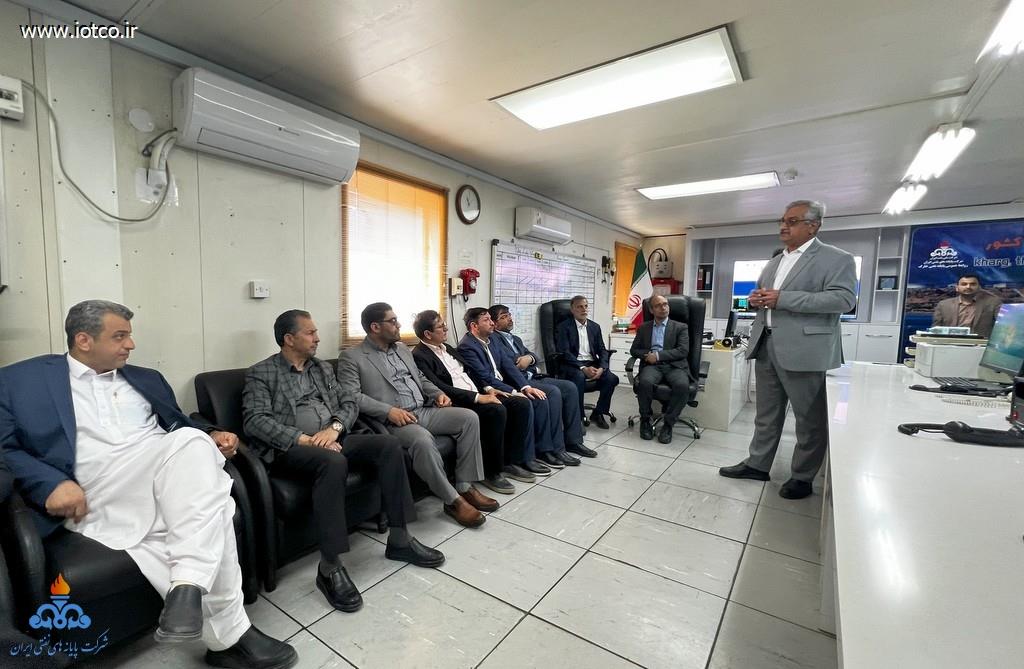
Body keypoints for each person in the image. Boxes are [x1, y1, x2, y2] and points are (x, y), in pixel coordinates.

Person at [0, 300, 296, 669]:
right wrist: (50, 483)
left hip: (161, 475)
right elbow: (4, 447)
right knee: (214, 498)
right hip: (97, 488)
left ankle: (206, 613)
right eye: (119, 336)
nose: (131, 344)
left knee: (194, 449)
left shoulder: (146, 378)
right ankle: (209, 607)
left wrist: (212, 434)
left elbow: (179, 423)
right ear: (83, 340)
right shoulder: (20, 380)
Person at [242, 310, 443, 614]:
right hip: (291, 448)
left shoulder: (321, 368)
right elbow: (255, 421)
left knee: (388, 445)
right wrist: (304, 439)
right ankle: (329, 567)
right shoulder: (262, 373)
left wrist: (334, 429)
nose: (317, 338)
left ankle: (400, 539)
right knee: (333, 463)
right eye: (310, 333)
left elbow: (348, 402)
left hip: (332, 437)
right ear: (289, 339)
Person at [719, 200, 857, 500]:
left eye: (792, 221)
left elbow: (844, 300)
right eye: (782, 220)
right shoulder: (774, 262)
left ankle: (802, 476)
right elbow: (768, 299)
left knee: (809, 419)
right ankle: (757, 464)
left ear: (813, 226)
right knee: (766, 414)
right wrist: (756, 300)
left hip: (805, 349)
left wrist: (783, 298)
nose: (784, 226)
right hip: (766, 344)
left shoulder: (837, 259)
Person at [337, 303, 496, 528]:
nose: (399, 325)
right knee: (422, 440)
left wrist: (438, 393)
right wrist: (388, 411)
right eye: (393, 321)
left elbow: (420, 378)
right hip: (394, 420)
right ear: (375, 327)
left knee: (469, 418)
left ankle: (464, 486)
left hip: (423, 410)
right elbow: (352, 396)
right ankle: (453, 500)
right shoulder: (352, 357)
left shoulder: (402, 349)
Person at [412, 310, 549, 487]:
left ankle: (512, 461)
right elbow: (440, 386)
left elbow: (471, 372)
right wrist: (478, 397)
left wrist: (489, 389)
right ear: (428, 334)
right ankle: (492, 472)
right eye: (441, 327)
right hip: (458, 401)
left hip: (477, 392)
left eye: (444, 324)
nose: (446, 329)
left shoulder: (447, 347)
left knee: (520, 403)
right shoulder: (419, 356)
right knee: (496, 410)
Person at [458, 308, 580, 469]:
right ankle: (527, 457)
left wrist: (525, 387)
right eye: (487, 320)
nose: (491, 323)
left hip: (505, 384)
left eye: (491, 319)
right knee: (528, 402)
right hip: (489, 389)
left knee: (540, 396)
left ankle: (548, 449)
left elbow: (508, 365)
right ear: (474, 326)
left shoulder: (491, 340)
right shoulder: (467, 346)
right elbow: (485, 377)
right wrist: (515, 392)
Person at [489, 304, 595, 458]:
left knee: (570, 387)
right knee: (553, 392)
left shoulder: (516, 339)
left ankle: (573, 441)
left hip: (533, 376)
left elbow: (534, 356)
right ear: (494, 323)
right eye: (503, 317)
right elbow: (512, 362)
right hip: (518, 382)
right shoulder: (493, 339)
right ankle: (556, 448)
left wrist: (529, 358)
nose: (510, 319)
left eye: (509, 315)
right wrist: (526, 360)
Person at [629, 294, 692, 444]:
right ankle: (645, 420)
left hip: (674, 365)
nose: (663, 308)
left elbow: (683, 351)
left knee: (682, 385)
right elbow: (634, 350)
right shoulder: (644, 328)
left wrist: (657, 356)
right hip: (652, 366)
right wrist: (647, 356)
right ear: (651, 310)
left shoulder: (680, 327)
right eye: (658, 305)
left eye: (665, 304)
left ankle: (668, 425)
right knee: (644, 383)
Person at [554, 296, 619, 429]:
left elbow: (602, 349)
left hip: (592, 363)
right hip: (572, 364)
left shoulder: (594, 327)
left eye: (585, 306)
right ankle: (579, 416)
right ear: (572, 310)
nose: (583, 309)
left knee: (611, 379)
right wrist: (583, 367)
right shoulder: (563, 327)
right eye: (579, 307)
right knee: (579, 377)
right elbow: (564, 352)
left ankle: (598, 412)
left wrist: (602, 367)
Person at [932, 273, 1002, 338]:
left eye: (973, 284)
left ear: (979, 287)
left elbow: (1002, 327)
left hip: (980, 344)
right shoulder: (944, 305)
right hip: (949, 343)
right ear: (957, 288)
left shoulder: (993, 303)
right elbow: (935, 329)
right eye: (964, 284)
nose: (968, 287)